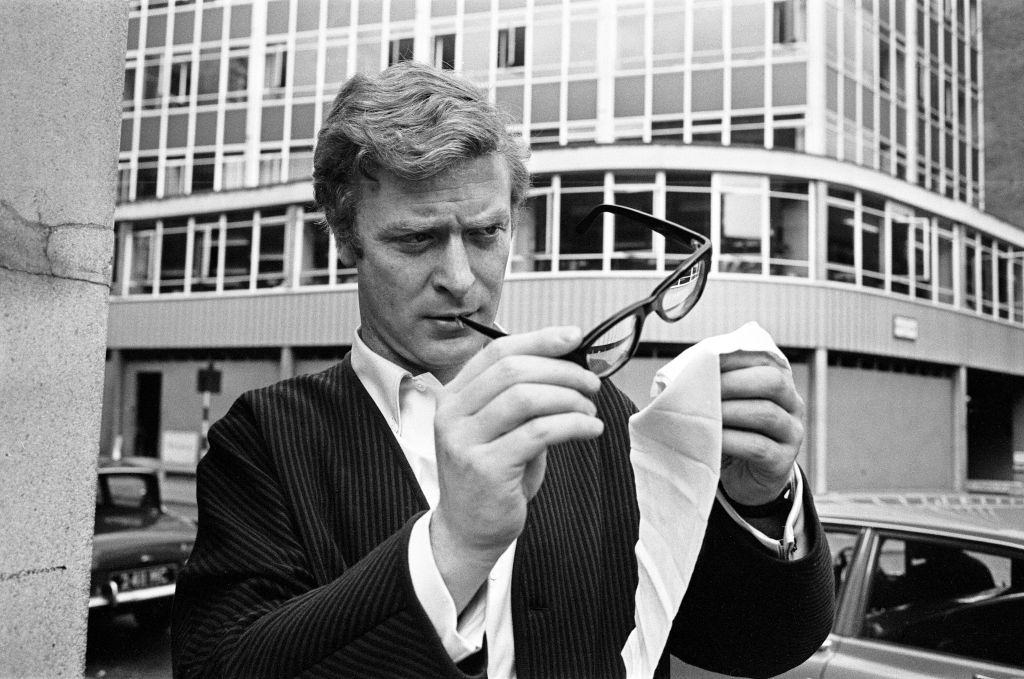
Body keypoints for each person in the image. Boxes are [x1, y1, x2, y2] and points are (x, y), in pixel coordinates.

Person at [171, 61, 834, 679]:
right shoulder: (261, 441)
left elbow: (753, 642)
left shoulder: (597, 413)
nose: (460, 280)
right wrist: (453, 544)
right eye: (416, 239)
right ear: (346, 239)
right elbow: (220, 665)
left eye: (485, 234)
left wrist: (761, 500)